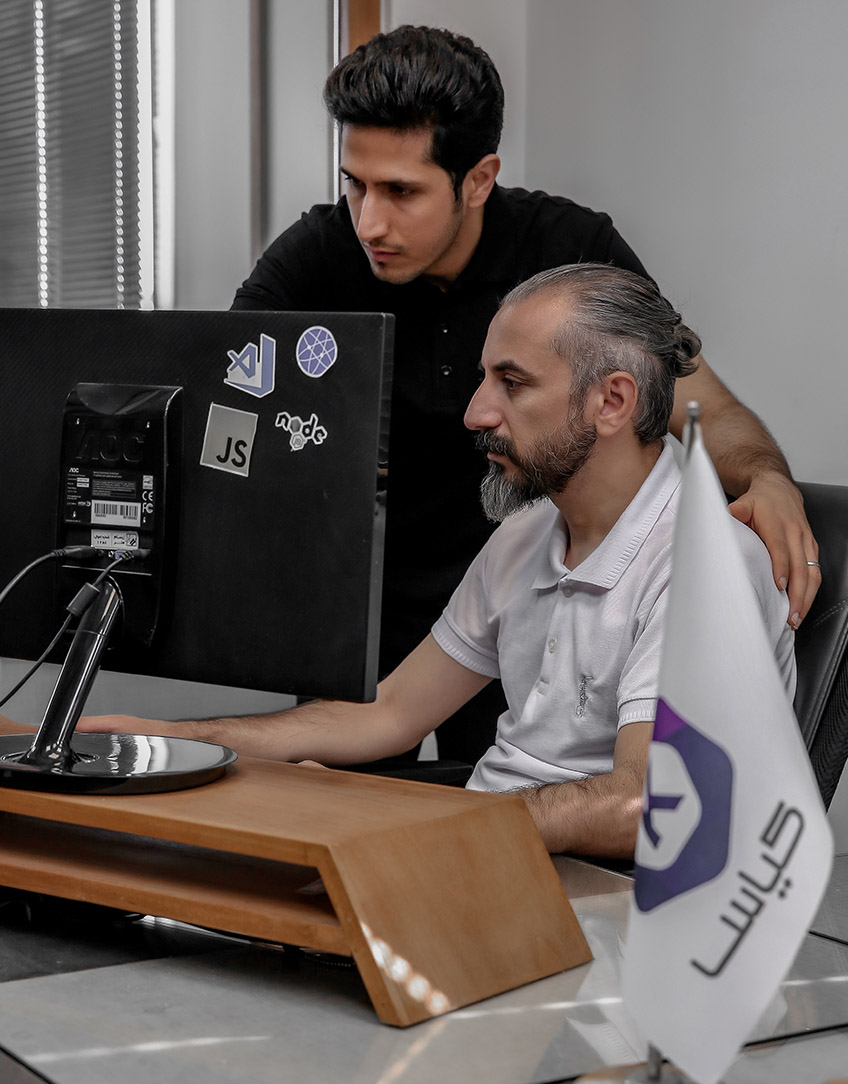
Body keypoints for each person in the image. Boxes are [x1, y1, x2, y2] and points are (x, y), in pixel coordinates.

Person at [232, 24, 817, 764]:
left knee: (517, 792)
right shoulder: (317, 256)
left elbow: (705, 407)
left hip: (518, 591)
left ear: (478, 179)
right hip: (366, 599)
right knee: (329, 801)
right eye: (355, 184)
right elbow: (222, 401)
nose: (369, 221)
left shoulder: (568, 252)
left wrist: (766, 477)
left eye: (402, 191)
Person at [78, 265, 796, 859]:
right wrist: (185, 739)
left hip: (610, 898)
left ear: (612, 401)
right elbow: (390, 713)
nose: (476, 412)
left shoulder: (702, 567)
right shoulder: (527, 534)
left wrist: (423, 825)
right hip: (489, 850)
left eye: (512, 383)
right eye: (485, 379)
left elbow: (645, 805)